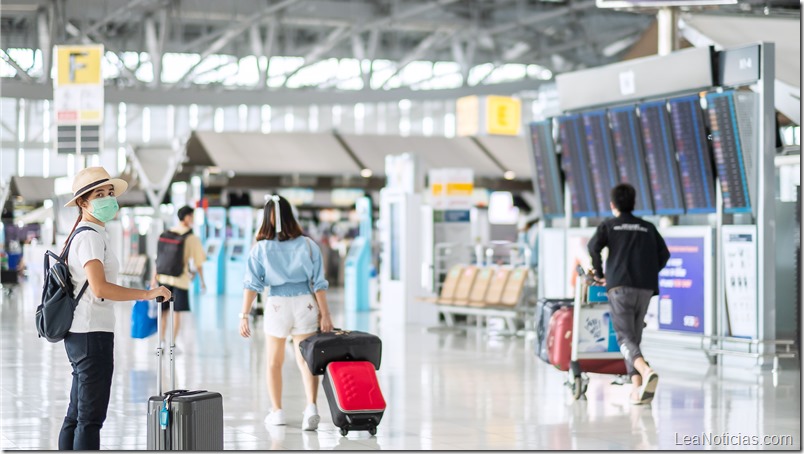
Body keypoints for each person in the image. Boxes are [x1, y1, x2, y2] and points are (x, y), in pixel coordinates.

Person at [58, 167, 171, 450]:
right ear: (83, 202)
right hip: (91, 334)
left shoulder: (91, 233)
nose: (109, 198)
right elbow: (100, 288)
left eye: (110, 193)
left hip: (83, 332)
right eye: (100, 194)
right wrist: (147, 293)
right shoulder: (90, 237)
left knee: (77, 414)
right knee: (90, 418)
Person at [238, 195, 333, 431]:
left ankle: (277, 411)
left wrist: (244, 314)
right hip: (305, 304)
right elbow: (318, 283)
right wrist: (326, 315)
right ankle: (311, 407)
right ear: (290, 216)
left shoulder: (260, 248)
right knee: (306, 360)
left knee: (273, 362)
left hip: (277, 304)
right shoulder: (309, 245)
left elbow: (252, 284)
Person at [587, 183, 670, 406]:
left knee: (624, 338)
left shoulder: (609, 226)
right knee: (633, 337)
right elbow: (664, 254)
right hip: (645, 288)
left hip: (619, 287)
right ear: (633, 203)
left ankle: (645, 370)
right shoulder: (647, 227)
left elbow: (593, 246)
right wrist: (649, 272)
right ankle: (636, 388)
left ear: (612, 205)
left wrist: (600, 273)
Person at [151, 205, 206, 350]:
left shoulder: (165, 234)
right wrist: (202, 281)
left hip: (163, 279)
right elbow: (199, 263)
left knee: (163, 312)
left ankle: (161, 342)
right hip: (180, 280)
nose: (192, 220)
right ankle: (172, 343)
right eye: (192, 217)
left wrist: (153, 278)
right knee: (176, 313)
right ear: (187, 217)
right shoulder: (191, 238)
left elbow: (158, 259)